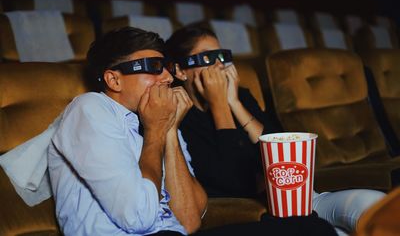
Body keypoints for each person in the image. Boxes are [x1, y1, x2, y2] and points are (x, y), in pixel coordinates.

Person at [48, 27, 337, 236]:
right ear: (114, 79)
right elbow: (138, 217)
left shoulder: (158, 119)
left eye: (165, 66)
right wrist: (157, 132)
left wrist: (170, 130)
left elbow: (189, 220)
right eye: (153, 67)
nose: (167, 76)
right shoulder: (90, 109)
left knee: (308, 225)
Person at [164, 23, 386, 236]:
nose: (218, 65)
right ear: (180, 71)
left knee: (375, 206)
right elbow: (236, 181)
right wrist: (219, 106)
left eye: (221, 56)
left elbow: (283, 149)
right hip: (266, 215)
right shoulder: (181, 117)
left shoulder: (240, 96)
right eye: (206, 58)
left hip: (295, 197)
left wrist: (235, 104)